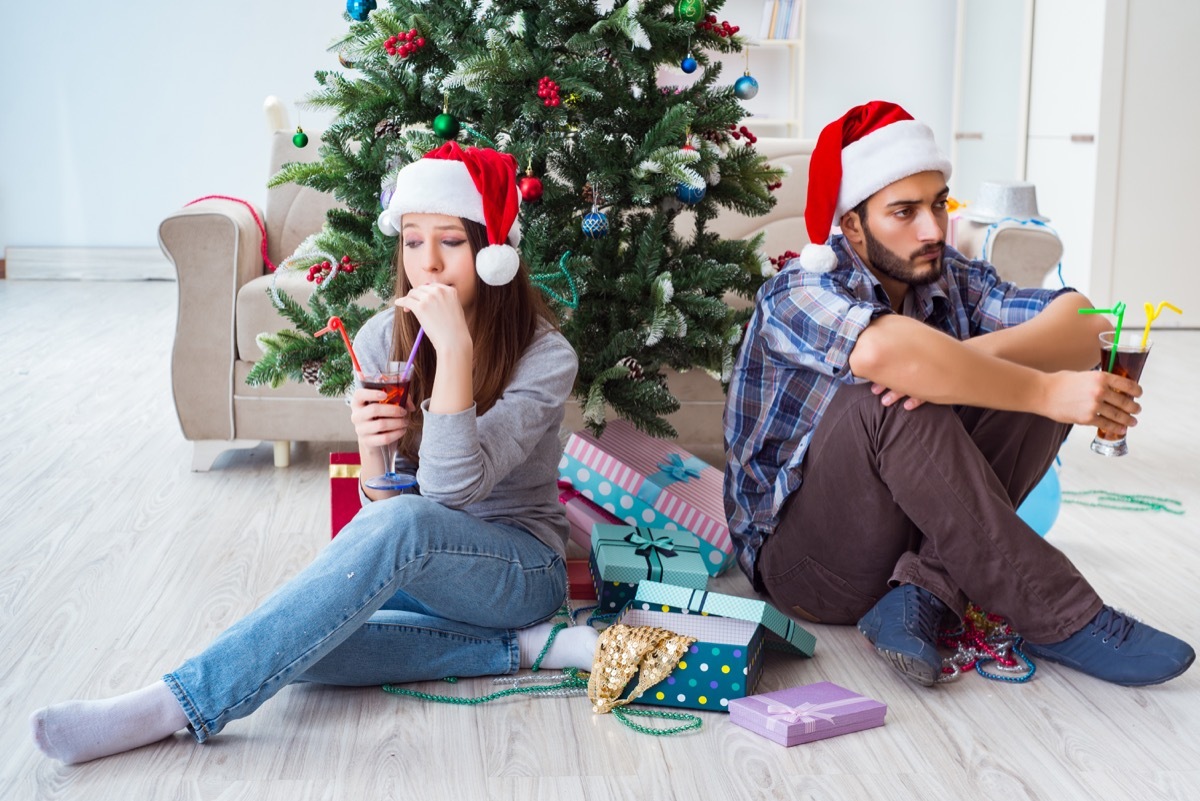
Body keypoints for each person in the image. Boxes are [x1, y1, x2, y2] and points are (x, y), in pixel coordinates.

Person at [30, 142, 599, 765]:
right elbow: (388, 505)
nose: (428, 263)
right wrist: (373, 449)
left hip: (520, 570)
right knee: (299, 641)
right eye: (413, 241)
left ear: (492, 253)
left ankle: (171, 706)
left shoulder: (546, 356)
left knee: (316, 612)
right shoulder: (383, 338)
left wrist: (455, 353)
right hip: (431, 568)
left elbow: (446, 494)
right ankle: (528, 649)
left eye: (451, 242)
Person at [723, 100, 1194, 688]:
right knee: (889, 398)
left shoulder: (947, 274)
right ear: (852, 225)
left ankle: (922, 594)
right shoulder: (799, 288)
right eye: (904, 212)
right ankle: (1061, 615)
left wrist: (974, 367)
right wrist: (1033, 387)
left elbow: (1085, 321)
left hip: (910, 548)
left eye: (938, 204)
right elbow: (884, 354)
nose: (932, 229)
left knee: (1010, 375)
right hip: (806, 568)